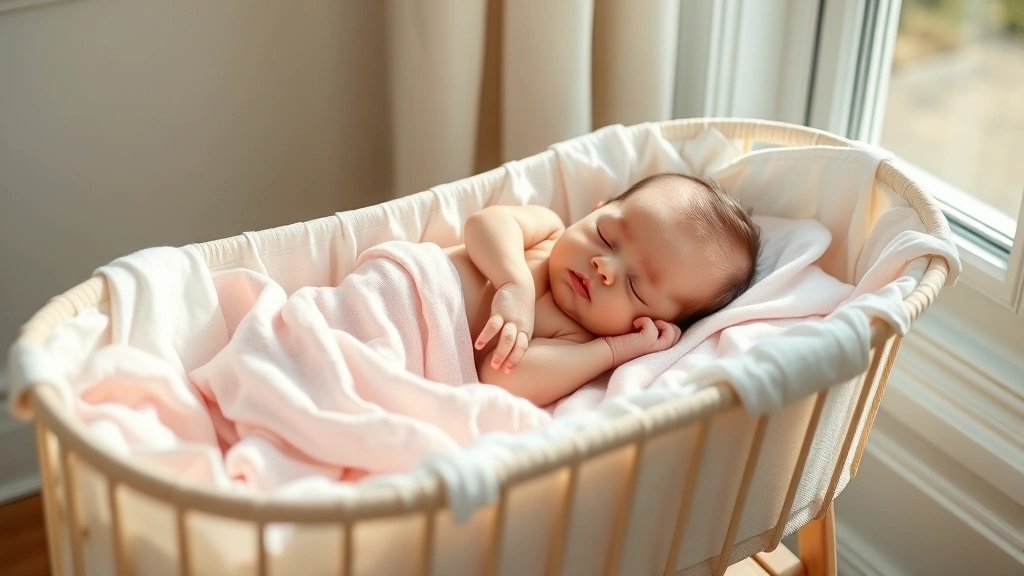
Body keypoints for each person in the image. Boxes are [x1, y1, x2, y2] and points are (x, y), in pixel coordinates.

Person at [444, 173, 760, 406]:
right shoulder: (549, 232)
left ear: (654, 322)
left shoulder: (575, 340)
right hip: (417, 282)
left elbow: (501, 378)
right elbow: (484, 224)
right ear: (598, 208)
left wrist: (609, 351)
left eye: (635, 286)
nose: (604, 267)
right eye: (606, 236)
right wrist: (513, 282)